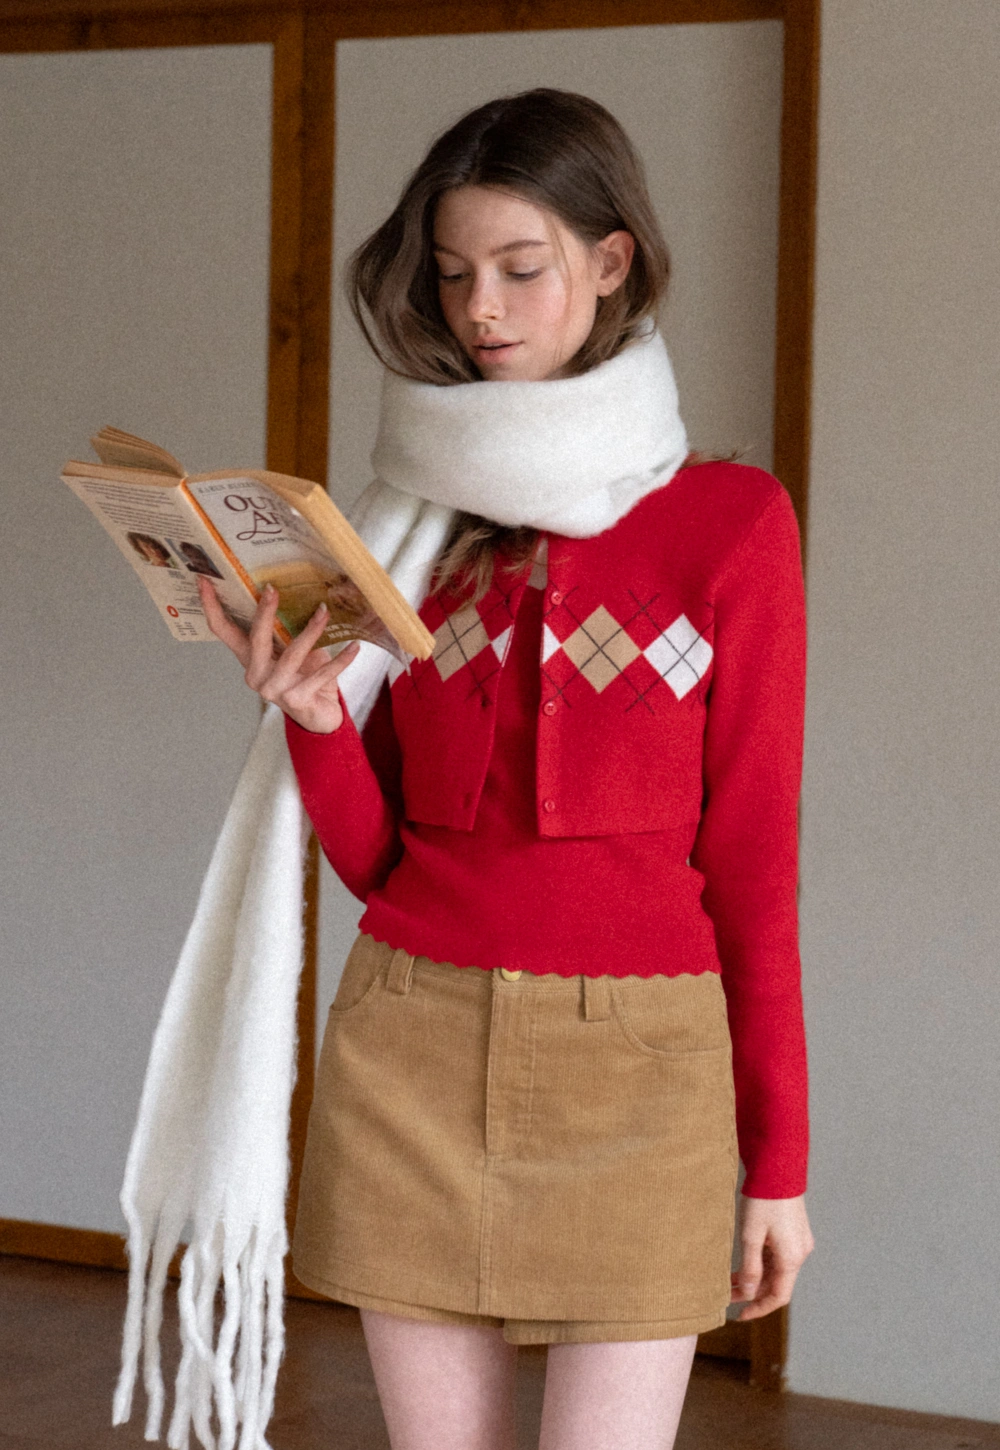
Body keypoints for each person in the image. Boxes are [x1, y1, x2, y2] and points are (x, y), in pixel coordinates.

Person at [199, 88, 813, 1450]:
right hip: (410, 1048)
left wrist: (780, 1163)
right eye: (452, 272)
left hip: (644, 1074)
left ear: (613, 260)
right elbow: (381, 866)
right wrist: (314, 716)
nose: (481, 308)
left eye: (521, 268)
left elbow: (754, 866)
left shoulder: (731, 523)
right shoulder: (410, 528)